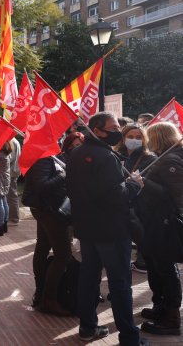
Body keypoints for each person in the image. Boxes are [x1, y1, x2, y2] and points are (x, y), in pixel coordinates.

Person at [66, 112, 148, 345]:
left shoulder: (76, 153)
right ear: (98, 130)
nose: (117, 132)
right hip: (112, 230)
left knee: (89, 279)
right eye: (113, 127)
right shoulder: (106, 157)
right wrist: (134, 185)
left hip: (86, 228)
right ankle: (130, 337)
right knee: (120, 283)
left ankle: (87, 327)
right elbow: (116, 196)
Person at [137, 122, 183, 336]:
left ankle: (172, 319)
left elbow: (176, 195)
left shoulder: (170, 160)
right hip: (158, 220)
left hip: (164, 222)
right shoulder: (170, 157)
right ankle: (164, 309)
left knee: (166, 268)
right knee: (160, 266)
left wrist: (144, 181)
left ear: (157, 137)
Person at [22, 153, 73, 316]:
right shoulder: (43, 159)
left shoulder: (53, 158)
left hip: (49, 210)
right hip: (50, 211)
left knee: (43, 248)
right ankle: (48, 299)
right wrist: (64, 175)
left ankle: (42, 293)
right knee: (63, 254)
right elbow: (42, 186)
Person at [116, 124, 156, 274]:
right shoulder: (116, 155)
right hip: (120, 204)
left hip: (139, 206)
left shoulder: (149, 157)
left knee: (140, 239)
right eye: (130, 137)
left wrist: (141, 180)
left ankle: (142, 262)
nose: (134, 140)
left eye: (138, 137)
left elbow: (154, 182)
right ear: (123, 138)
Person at [7, 138, 22, 225]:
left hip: (11, 171)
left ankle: (14, 218)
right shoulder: (15, 141)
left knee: (11, 195)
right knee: (12, 195)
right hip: (14, 170)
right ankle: (13, 217)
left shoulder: (11, 141)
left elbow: (9, 158)